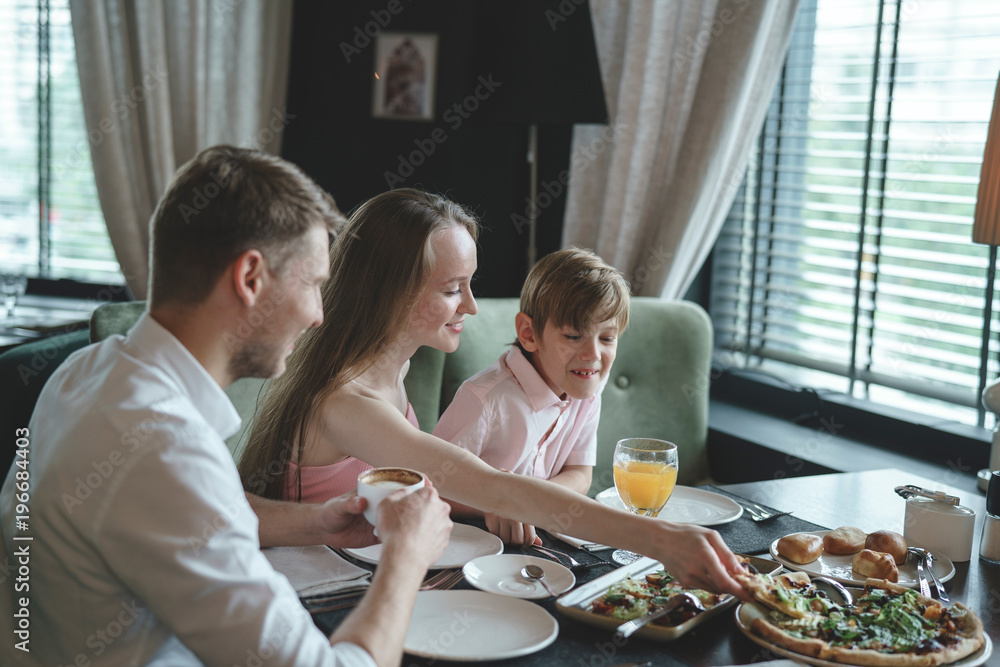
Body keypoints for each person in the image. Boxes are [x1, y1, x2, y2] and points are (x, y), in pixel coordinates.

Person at [0, 146, 452, 667]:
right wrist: (405, 556)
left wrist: (315, 523)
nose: (318, 316)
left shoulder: (85, 371)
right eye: (312, 285)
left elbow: (191, 516)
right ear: (250, 278)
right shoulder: (164, 447)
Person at [238, 188, 751, 600]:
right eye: (452, 289)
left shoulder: (390, 375)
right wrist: (659, 540)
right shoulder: (346, 400)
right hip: (320, 599)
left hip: (373, 580)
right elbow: (488, 485)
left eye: (470, 284)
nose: (473, 306)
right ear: (390, 290)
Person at [433, 248, 629, 544]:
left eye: (606, 338)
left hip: (542, 536)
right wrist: (501, 502)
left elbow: (580, 475)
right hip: (470, 544)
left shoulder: (588, 390)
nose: (593, 355)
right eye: (573, 336)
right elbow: (433, 486)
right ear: (528, 333)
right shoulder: (485, 399)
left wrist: (527, 504)